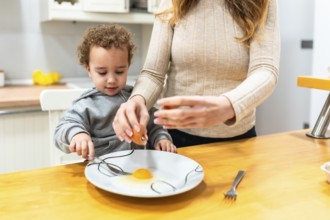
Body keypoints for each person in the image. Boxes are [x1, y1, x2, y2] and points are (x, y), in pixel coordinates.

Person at [113, 0, 280, 147]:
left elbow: (265, 69)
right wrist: (137, 99)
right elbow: (153, 73)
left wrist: (229, 105)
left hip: (237, 140)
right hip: (174, 139)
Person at [54, 24, 176, 160]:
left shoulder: (135, 99)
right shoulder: (86, 105)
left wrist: (162, 140)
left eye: (119, 71)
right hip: (102, 174)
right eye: (102, 72)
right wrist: (77, 135)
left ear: (128, 66)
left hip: (138, 173)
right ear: (88, 69)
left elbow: (155, 126)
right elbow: (61, 130)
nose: (111, 80)